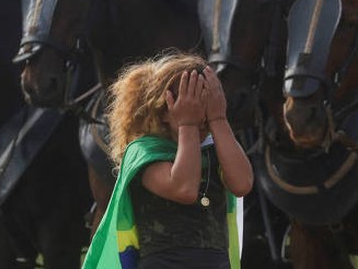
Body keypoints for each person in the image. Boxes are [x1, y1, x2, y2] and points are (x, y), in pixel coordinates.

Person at [83, 52, 253, 269]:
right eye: (191, 105)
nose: (202, 116)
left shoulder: (215, 145)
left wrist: (219, 119)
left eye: (205, 104)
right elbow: (184, 189)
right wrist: (188, 125)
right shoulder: (143, 151)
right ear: (163, 111)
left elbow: (242, 184)